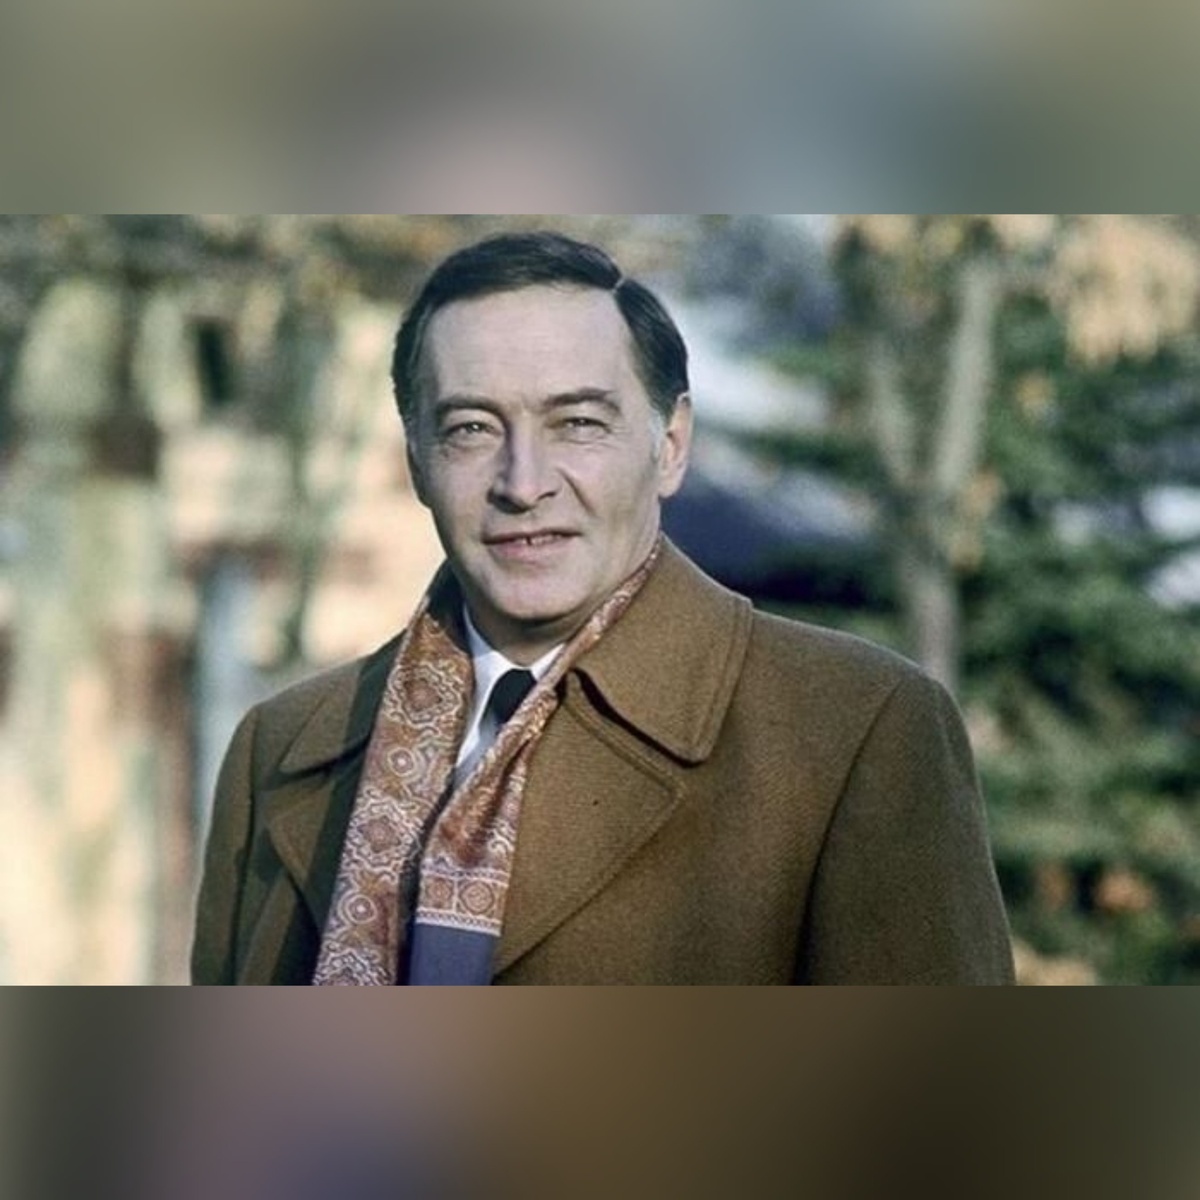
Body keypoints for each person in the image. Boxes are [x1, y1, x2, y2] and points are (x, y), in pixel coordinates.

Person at [191, 230, 1015, 985]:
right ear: (417, 462)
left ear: (671, 446)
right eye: (472, 429)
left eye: (577, 423)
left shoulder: (851, 731)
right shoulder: (282, 749)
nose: (523, 483)